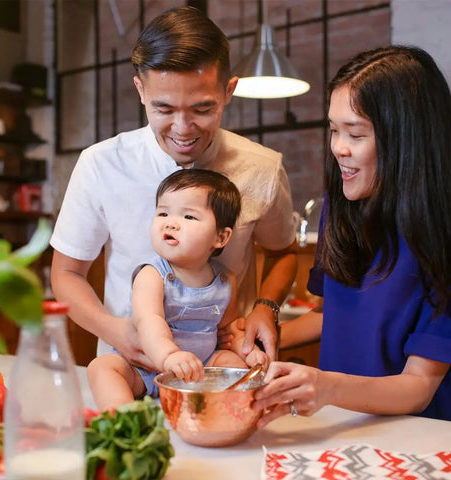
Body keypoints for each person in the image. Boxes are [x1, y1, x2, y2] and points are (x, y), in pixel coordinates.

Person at [50, 6, 297, 371]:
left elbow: (284, 253)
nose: (183, 128)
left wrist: (266, 306)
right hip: (130, 368)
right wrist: (117, 332)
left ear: (229, 91)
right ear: (141, 90)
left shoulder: (261, 167)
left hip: (223, 372)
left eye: (202, 109)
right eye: (163, 109)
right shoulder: (100, 164)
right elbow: (66, 274)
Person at [253, 45, 451, 423]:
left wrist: (326, 387)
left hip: (417, 442)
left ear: (406, 139)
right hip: (340, 428)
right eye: (333, 130)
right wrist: (264, 331)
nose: (338, 149)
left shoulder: (440, 233)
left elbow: (418, 387)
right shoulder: (340, 208)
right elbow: (338, 318)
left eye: (355, 134)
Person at [87, 169, 269, 410]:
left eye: (189, 217)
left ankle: (224, 410)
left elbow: (226, 331)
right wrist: (169, 356)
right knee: (103, 367)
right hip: (146, 367)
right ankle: (122, 414)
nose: (170, 222)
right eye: (163, 213)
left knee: (233, 365)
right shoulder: (152, 274)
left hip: (200, 368)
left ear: (221, 237)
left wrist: (247, 351)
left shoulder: (225, 280)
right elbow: (148, 321)